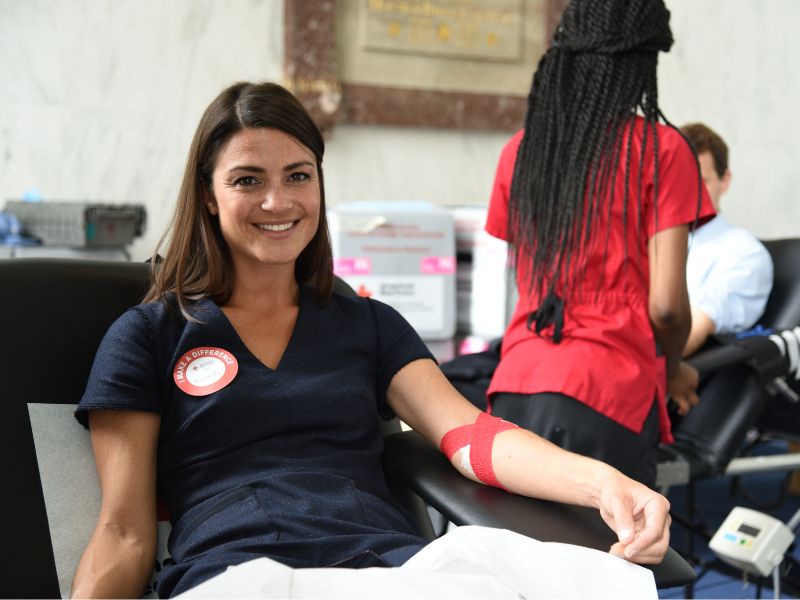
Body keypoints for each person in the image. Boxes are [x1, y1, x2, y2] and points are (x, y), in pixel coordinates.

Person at [70, 81, 672, 598]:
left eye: (297, 176)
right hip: (239, 573)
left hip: (389, 570)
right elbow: (124, 530)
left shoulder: (366, 323)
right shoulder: (148, 335)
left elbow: (471, 438)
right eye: (247, 180)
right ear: (208, 194)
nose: (277, 201)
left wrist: (607, 484)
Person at [484, 0, 716, 488]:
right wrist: (672, 370)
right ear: (640, 64)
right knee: (609, 562)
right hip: (606, 394)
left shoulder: (522, 151)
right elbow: (668, 309)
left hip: (516, 385)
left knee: (510, 561)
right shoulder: (662, 150)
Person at [680, 122, 774, 357]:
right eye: (677, 181)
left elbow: (689, 333)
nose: (687, 191)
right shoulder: (644, 242)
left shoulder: (743, 253)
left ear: (725, 180)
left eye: (701, 180)